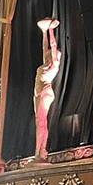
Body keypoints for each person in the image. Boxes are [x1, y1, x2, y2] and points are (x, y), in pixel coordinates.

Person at [33, 17, 60, 161]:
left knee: (42, 122)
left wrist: (50, 30)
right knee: (39, 123)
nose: (50, 53)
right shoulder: (46, 63)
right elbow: (45, 47)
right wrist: (43, 32)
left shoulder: (54, 65)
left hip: (45, 92)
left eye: (53, 53)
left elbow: (53, 45)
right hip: (37, 93)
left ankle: (42, 151)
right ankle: (39, 151)